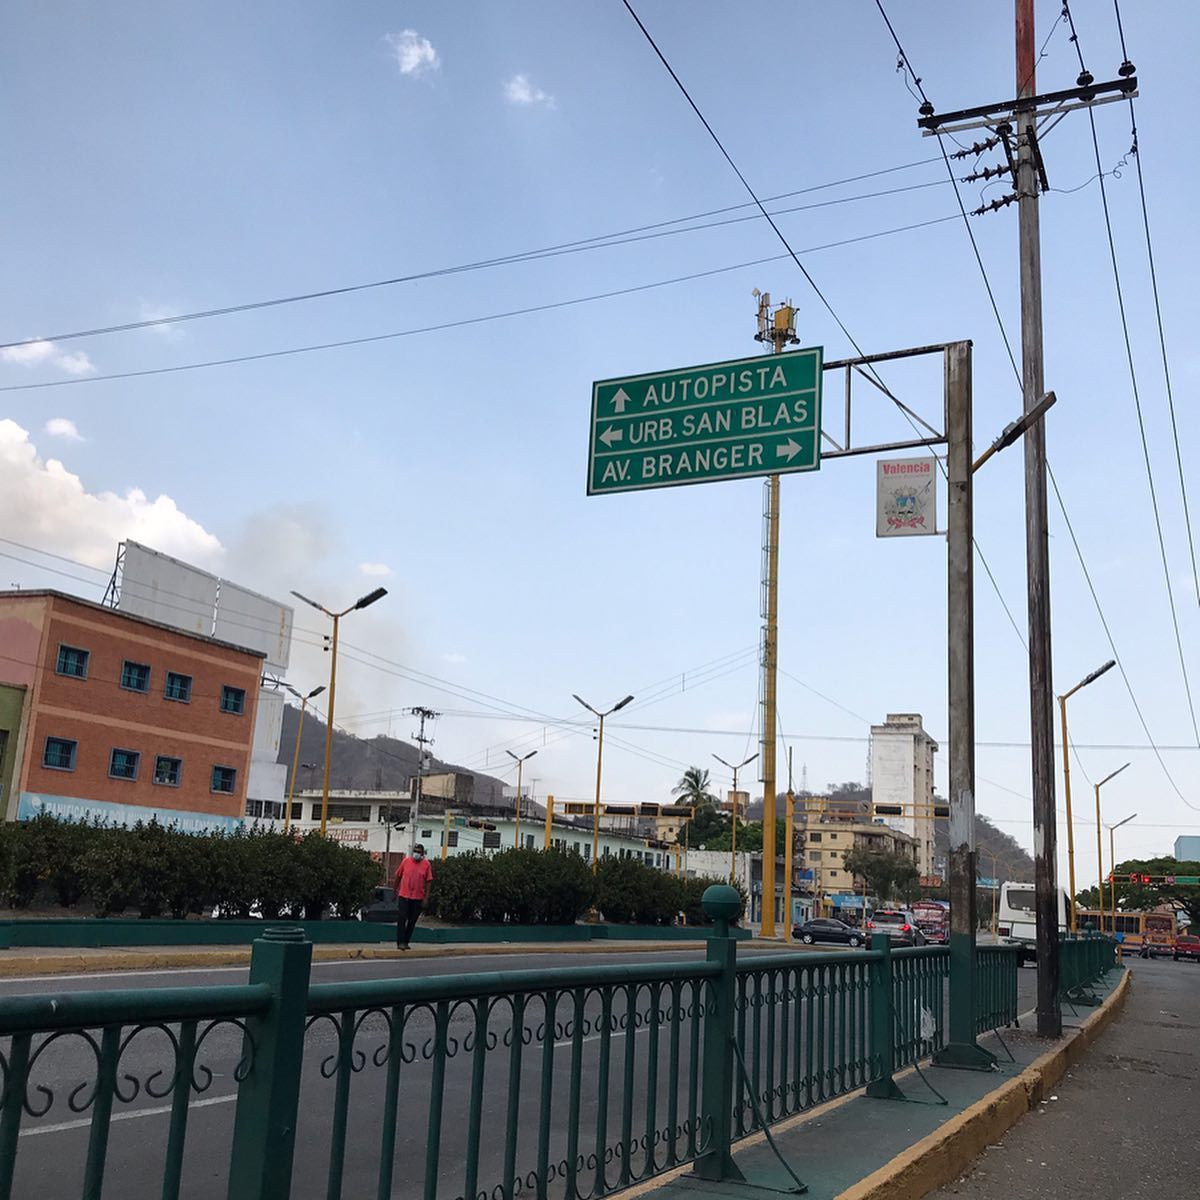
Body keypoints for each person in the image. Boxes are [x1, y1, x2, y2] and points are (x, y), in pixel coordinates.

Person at [394, 844, 433, 950]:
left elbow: (429, 881)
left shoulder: (426, 865)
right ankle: (400, 942)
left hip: (417, 898)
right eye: (415, 851)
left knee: (412, 921)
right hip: (404, 895)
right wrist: (394, 890)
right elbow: (398, 876)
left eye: (418, 852)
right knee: (401, 919)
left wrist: (426, 897)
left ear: (422, 854)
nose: (416, 853)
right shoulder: (405, 862)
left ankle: (406, 941)